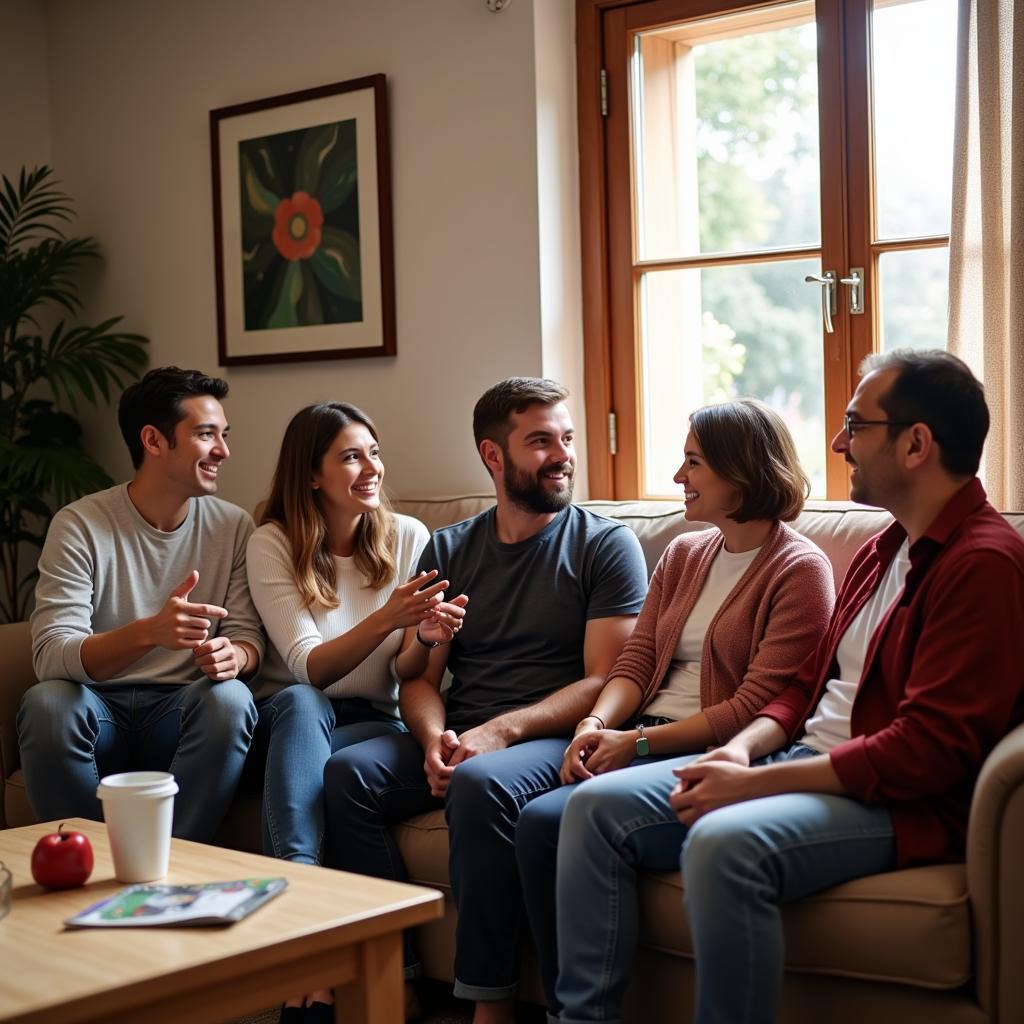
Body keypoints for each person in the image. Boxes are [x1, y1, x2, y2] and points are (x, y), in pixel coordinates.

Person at [543, 349, 1024, 1024]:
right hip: (793, 759)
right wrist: (741, 753)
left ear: (917, 444)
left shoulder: (984, 565)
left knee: (721, 844)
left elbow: (928, 750)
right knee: (593, 809)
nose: (838, 442)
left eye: (857, 424)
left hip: (890, 800)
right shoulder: (883, 550)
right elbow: (801, 689)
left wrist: (758, 783)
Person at [322, 377, 649, 1024]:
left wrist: (500, 733)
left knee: (478, 781)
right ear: (493, 457)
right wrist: (433, 740)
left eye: (567, 438)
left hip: (552, 732)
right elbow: (416, 676)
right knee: (346, 774)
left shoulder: (605, 545)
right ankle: (401, 976)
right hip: (468, 731)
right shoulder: (449, 548)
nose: (562, 455)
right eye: (540, 441)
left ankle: (488, 1002)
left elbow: (608, 679)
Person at [515, 399, 835, 1012]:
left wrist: (633, 743)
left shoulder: (800, 570)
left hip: (712, 753)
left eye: (693, 463)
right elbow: (635, 663)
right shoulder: (686, 554)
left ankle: (585, 1012)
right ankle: (564, 1007)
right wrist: (596, 721)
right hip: (637, 736)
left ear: (740, 474)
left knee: (573, 813)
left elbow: (753, 706)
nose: (677, 478)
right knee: (537, 822)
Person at [245, 400, 468, 1023]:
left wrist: (426, 634)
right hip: (290, 722)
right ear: (311, 475)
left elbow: (402, 675)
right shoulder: (273, 542)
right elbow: (309, 666)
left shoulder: (409, 538)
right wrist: (389, 618)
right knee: (300, 700)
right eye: (351, 456)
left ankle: (304, 964)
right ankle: (307, 901)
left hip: (376, 720)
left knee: (337, 775)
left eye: (374, 452)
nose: (371, 468)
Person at [17, 366, 264, 841]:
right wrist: (150, 632)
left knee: (232, 700)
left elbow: (248, 636)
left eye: (224, 435)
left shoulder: (233, 527)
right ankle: (87, 861)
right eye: (206, 435)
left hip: (181, 711)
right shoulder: (80, 525)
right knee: (46, 703)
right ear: (153, 440)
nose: (223, 451)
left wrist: (237, 655)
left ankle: (175, 860)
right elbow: (51, 655)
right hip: (96, 707)